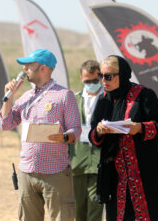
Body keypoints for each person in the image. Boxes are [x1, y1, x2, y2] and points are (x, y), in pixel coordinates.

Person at [0, 49, 81, 221]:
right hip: (27, 172)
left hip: (55, 172)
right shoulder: (25, 97)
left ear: (43, 68)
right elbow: (6, 124)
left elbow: (75, 129)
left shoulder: (64, 95)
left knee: (62, 218)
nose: (25, 69)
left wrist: (64, 137)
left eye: (29, 65)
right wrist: (10, 97)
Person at [89, 55, 158, 221]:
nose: (104, 80)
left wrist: (139, 128)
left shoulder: (143, 95)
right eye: (101, 76)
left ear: (122, 75)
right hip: (115, 175)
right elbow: (93, 136)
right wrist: (99, 131)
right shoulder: (103, 100)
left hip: (145, 172)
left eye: (108, 76)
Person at [70, 60, 104, 221]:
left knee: (95, 211)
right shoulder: (72, 100)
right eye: (87, 81)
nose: (91, 84)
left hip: (100, 164)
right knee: (78, 211)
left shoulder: (108, 99)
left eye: (95, 81)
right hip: (77, 164)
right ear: (81, 79)